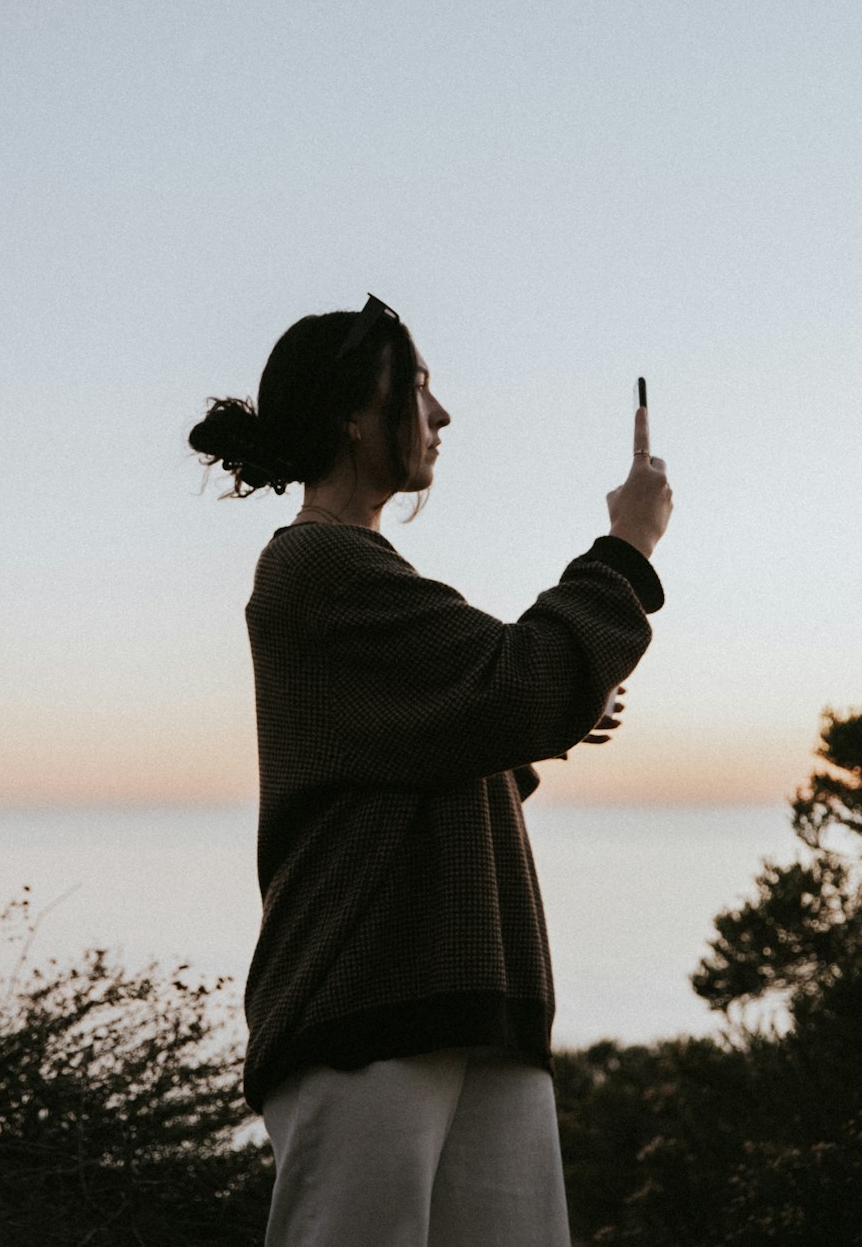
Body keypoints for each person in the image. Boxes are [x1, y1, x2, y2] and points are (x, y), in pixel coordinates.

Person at [188, 295, 672, 1247]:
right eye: (417, 389)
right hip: (368, 1004)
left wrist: (530, 730)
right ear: (352, 418)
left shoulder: (361, 569)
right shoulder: (317, 566)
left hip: (467, 1000)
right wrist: (628, 546)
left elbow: (445, 737)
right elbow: (512, 681)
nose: (441, 415)